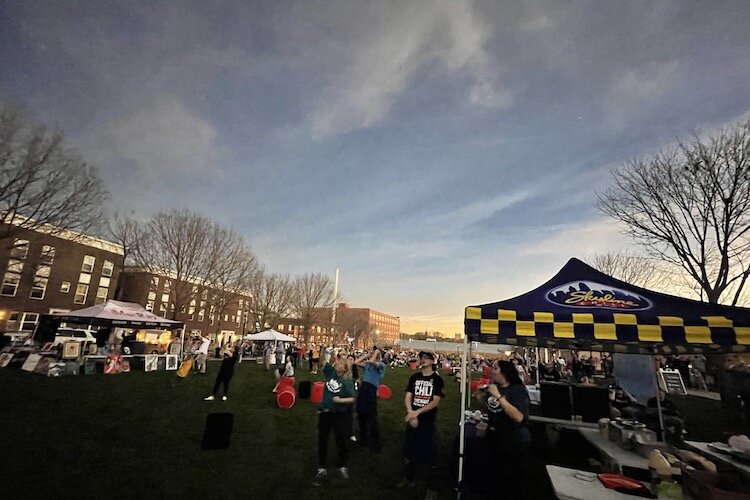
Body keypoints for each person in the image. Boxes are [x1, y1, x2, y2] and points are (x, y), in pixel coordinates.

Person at [478, 360, 531, 499]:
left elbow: (518, 417)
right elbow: (493, 408)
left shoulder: (517, 390)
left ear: (505, 373)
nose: (491, 370)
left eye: (495, 368)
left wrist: (499, 397)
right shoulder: (495, 387)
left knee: (510, 480)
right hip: (493, 437)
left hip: (512, 440)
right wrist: (481, 396)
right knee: (493, 475)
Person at [398, 351, 444, 498]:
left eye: (426, 358)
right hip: (412, 418)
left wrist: (416, 414)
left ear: (432, 362)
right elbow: (408, 396)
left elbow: (435, 401)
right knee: (409, 448)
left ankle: (431, 485)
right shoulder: (414, 377)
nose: (422, 360)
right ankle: (408, 478)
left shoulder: (437, 380)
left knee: (429, 451)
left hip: (427, 420)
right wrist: (410, 411)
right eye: (421, 358)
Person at [312, 357, 356, 486]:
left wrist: (339, 401)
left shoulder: (347, 382)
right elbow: (321, 362)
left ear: (345, 368)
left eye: (341, 363)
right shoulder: (331, 372)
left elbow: (352, 398)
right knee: (322, 439)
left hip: (340, 414)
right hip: (325, 412)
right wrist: (325, 353)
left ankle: (342, 465)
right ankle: (322, 467)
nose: (337, 363)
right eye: (338, 361)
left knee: (341, 439)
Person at [355, 348, 386, 452]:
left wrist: (376, 353)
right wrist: (367, 354)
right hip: (364, 389)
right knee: (361, 414)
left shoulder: (381, 365)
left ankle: (375, 442)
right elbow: (356, 362)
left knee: (372, 417)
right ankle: (363, 439)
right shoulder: (368, 364)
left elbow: (373, 362)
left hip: (371, 390)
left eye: (375, 353)